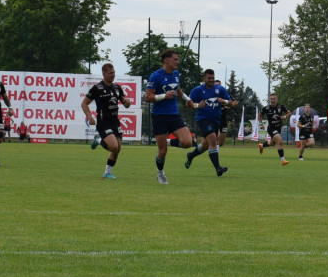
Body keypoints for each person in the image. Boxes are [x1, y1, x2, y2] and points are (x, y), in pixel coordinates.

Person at [144, 49, 195, 185]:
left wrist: (187, 99)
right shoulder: (156, 76)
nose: (178, 62)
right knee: (162, 151)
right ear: (167, 61)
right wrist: (163, 96)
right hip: (159, 116)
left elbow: (177, 89)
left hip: (174, 115)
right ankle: (160, 173)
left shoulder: (176, 74)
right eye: (175, 59)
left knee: (187, 142)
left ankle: (168, 141)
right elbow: (147, 97)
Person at [81, 63, 132, 179]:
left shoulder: (117, 88)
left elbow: (126, 104)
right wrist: (89, 116)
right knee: (113, 147)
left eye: (113, 72)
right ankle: (98, 139)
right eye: (110, 73)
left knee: (118, 149)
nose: (113, 75)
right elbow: (84, 103)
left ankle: (107, 173)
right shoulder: (97, 88)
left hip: (115, 122)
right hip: (104, 123)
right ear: (104, 74)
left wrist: (127, 103)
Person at [184, 69, 238, 176]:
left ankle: (191, 155)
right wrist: (199, 105)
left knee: (204, 145)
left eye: (212, 78)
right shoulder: (197, 90)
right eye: (209, 78)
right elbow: (188, 105)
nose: (211, 80)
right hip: (203, 119)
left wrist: (225, 101)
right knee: (213, 140)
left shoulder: (220, 89)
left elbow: (233, 103)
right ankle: (218, 168)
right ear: (204, 78)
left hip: (215, 120)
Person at [258, 93, 292, 166]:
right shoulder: (266, 108)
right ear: (270, 100)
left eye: (274, 99)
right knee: (280, 141)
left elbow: (289, 113)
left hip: (278, 128)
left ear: (276, 99)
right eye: (271, 99)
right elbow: (260, 114)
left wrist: (285, 117)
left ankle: (261, 146)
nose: (273, 100)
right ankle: (283, 160)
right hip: (271, 128)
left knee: (272, 143)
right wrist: (261, 124)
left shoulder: (281, 106)